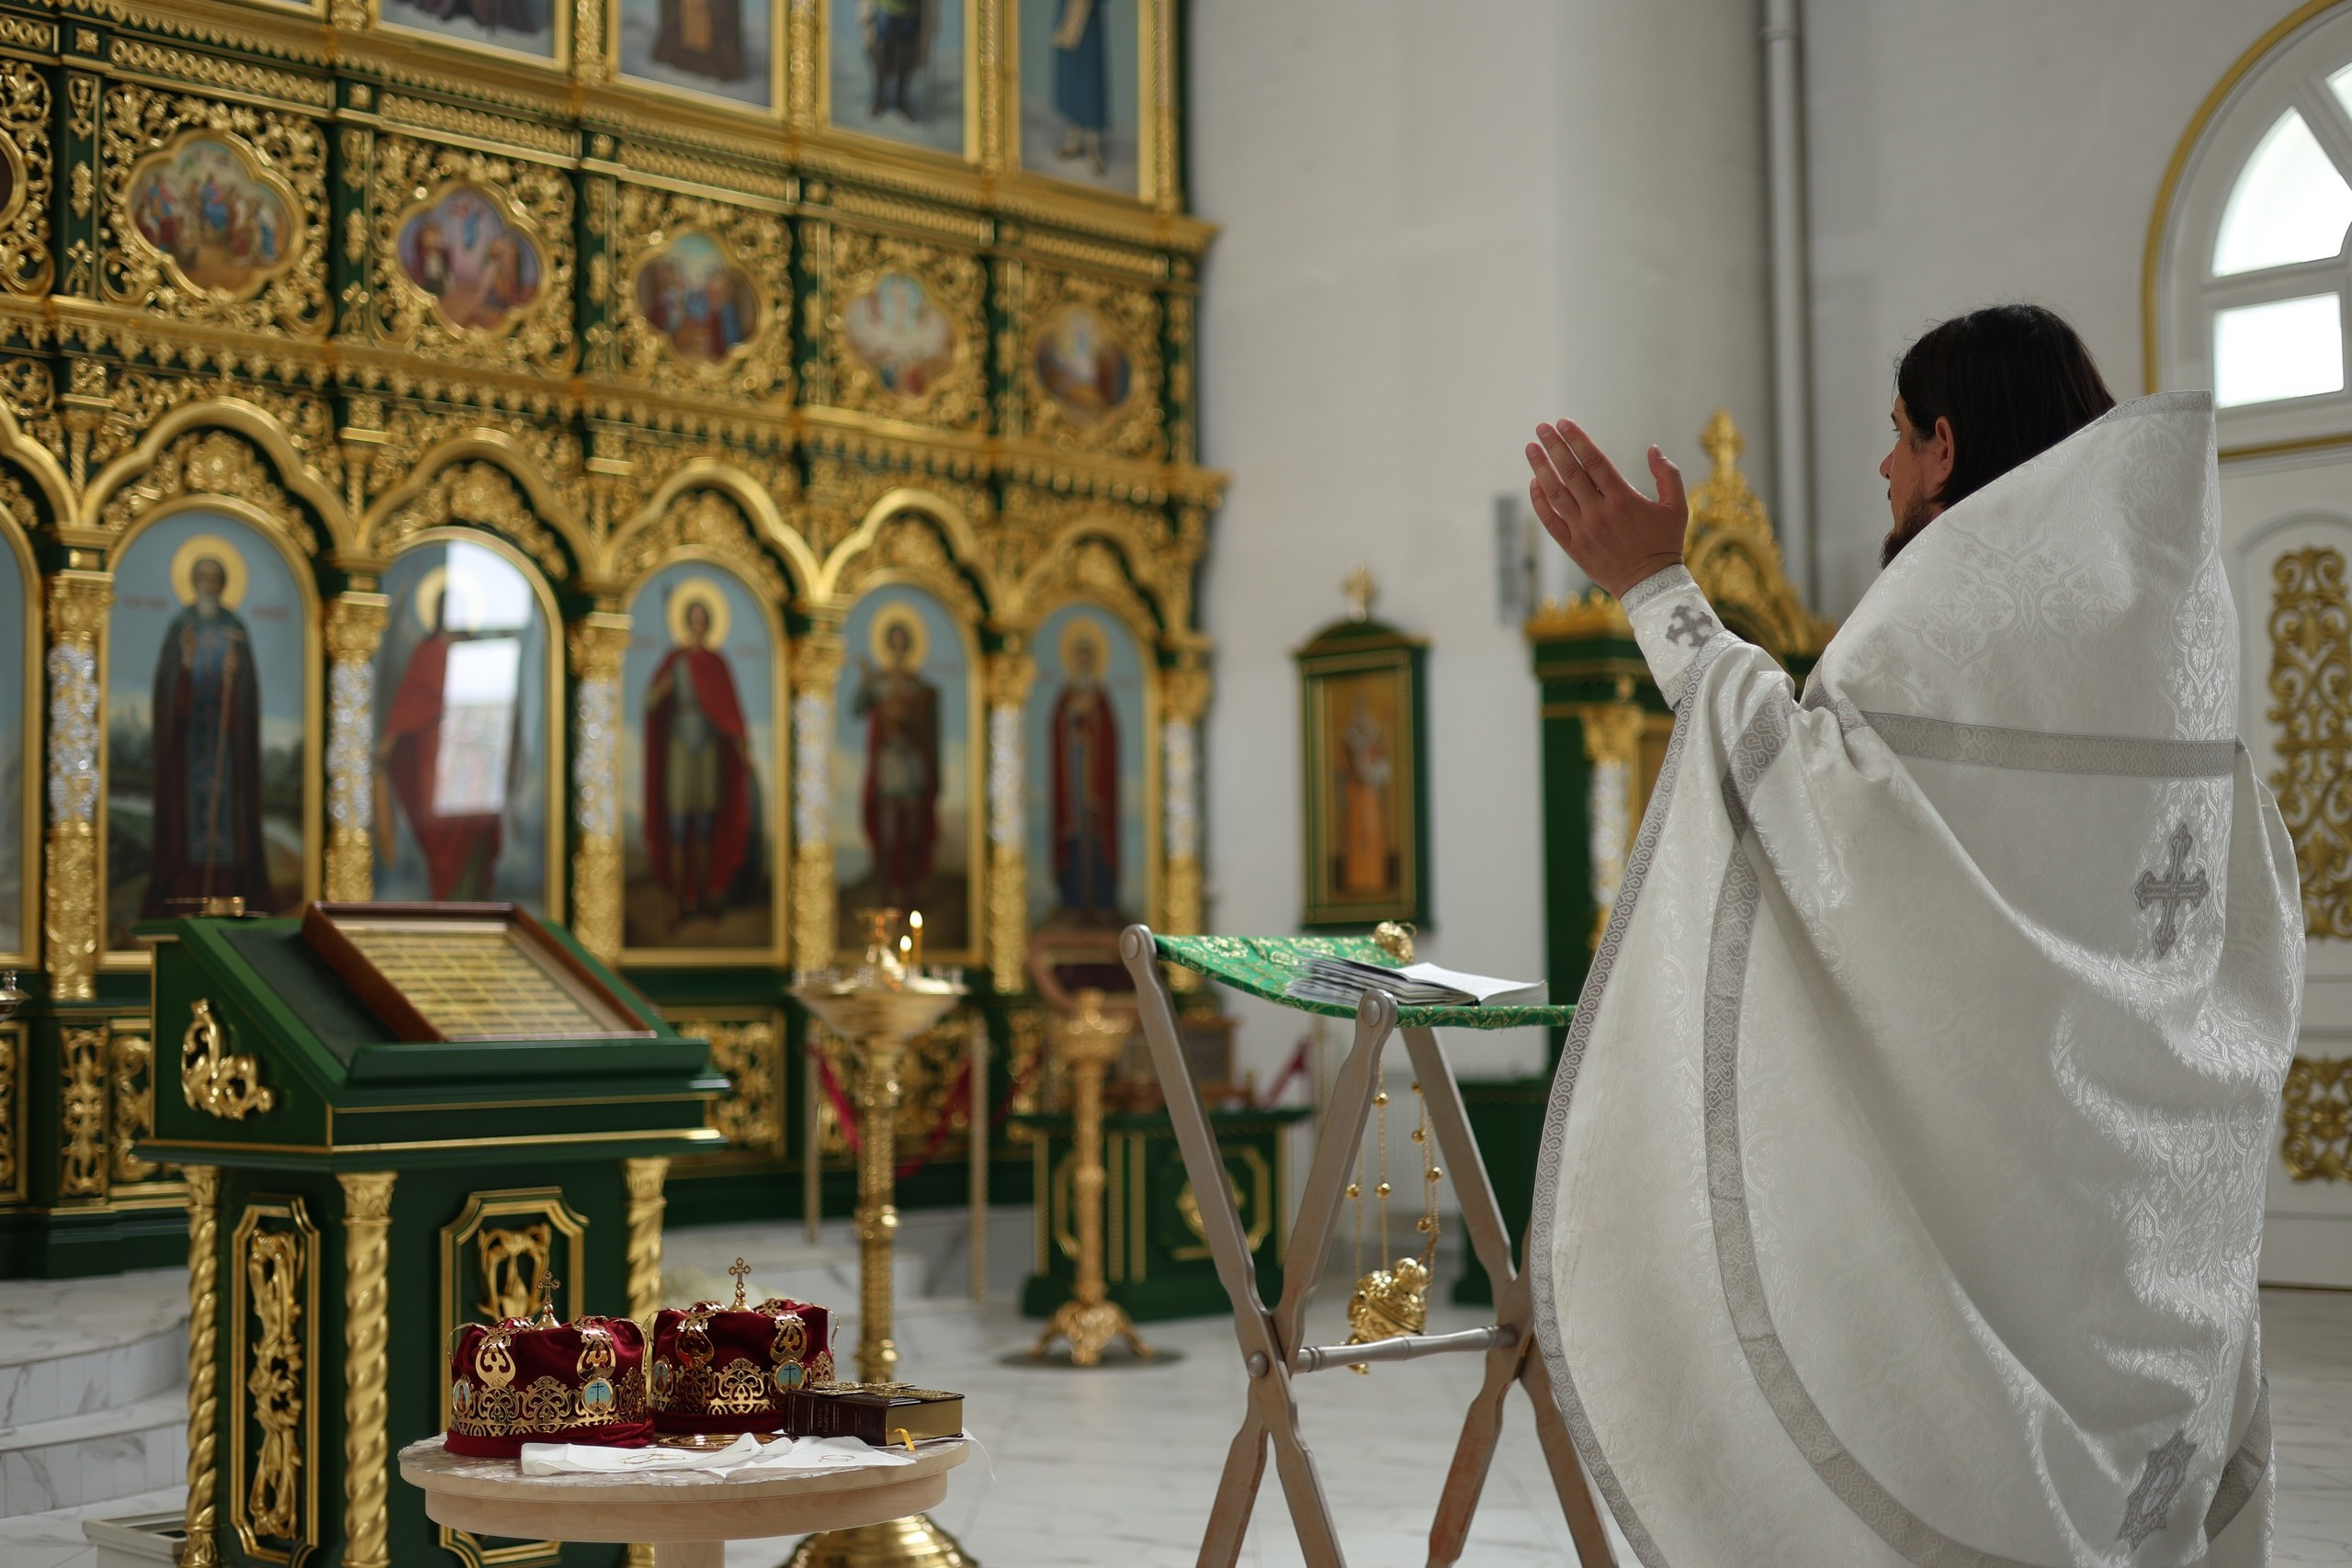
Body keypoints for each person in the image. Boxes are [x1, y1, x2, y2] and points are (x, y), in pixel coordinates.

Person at [1521, 304, 2297, 1564]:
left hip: (1991, 1163)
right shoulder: (2161, 625)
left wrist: (1654, 590)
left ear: (1946, 443)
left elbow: (1811, 802)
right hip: (2121, 1175)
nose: (1882, 467)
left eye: (1895, 434)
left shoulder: (1952, 610)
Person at [141, 556, 276, 919]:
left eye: (214, 577)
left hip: (226, 744)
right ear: (193, 581)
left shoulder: (236, 628)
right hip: (189, 741)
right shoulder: (180, 626)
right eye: (202, 577)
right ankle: (184, 897)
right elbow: (167, 690)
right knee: (187, 815)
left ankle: (227, 896)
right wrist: (184, 665)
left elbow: (247, 693)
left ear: (223, 583)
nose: (208, 583)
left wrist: (235, 680)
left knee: (225, 815)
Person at [377, 581, 508, 901]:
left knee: (474, 828)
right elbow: (410, 701)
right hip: (434, 754)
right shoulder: (428, 650)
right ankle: (443, 896)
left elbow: (490, 705)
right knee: (439, 831)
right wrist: (389, 744)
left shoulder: (476, 653)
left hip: (474, 755)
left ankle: (472, 897)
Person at [643, 595, 754, 921]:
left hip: (707, 748)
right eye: (692, 618)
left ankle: (703, 897)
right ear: (687, 622)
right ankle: (679, 903)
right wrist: (661, 690)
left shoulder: (716, 663)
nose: (697, 624)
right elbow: (651, 703)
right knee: (678, 824)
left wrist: (742, 747)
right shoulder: (674, 661)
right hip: (679, 747)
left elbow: (730, 712)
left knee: (706, 823)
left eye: (702, 618)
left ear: (708, 623)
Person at [852, 615, 939, 912]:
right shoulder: (880, 683)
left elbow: (927, 722)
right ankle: (887, 892)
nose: (899, 647)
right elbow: (858, 708)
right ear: (889, 645)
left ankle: (912, 889)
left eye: (904, 642)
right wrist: (866, 684)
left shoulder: (917, 686)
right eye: (894, 642)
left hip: (912, 763)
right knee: (889, 831)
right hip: (889, 763)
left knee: (913, 830)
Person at [1049, 625, 1119, 919]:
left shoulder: (1100, 696)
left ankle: (1101, 902)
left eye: (1087, 657)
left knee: (1097, 839)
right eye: (1078, 657)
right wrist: (1071, 729)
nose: (1083, 662)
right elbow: (1057, 730)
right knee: (1076, 837)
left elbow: (1109, 734)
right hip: (1073, 777)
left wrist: (1091, 729)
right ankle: (1073, 901)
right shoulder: (1066, 696)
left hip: (1094, 779)